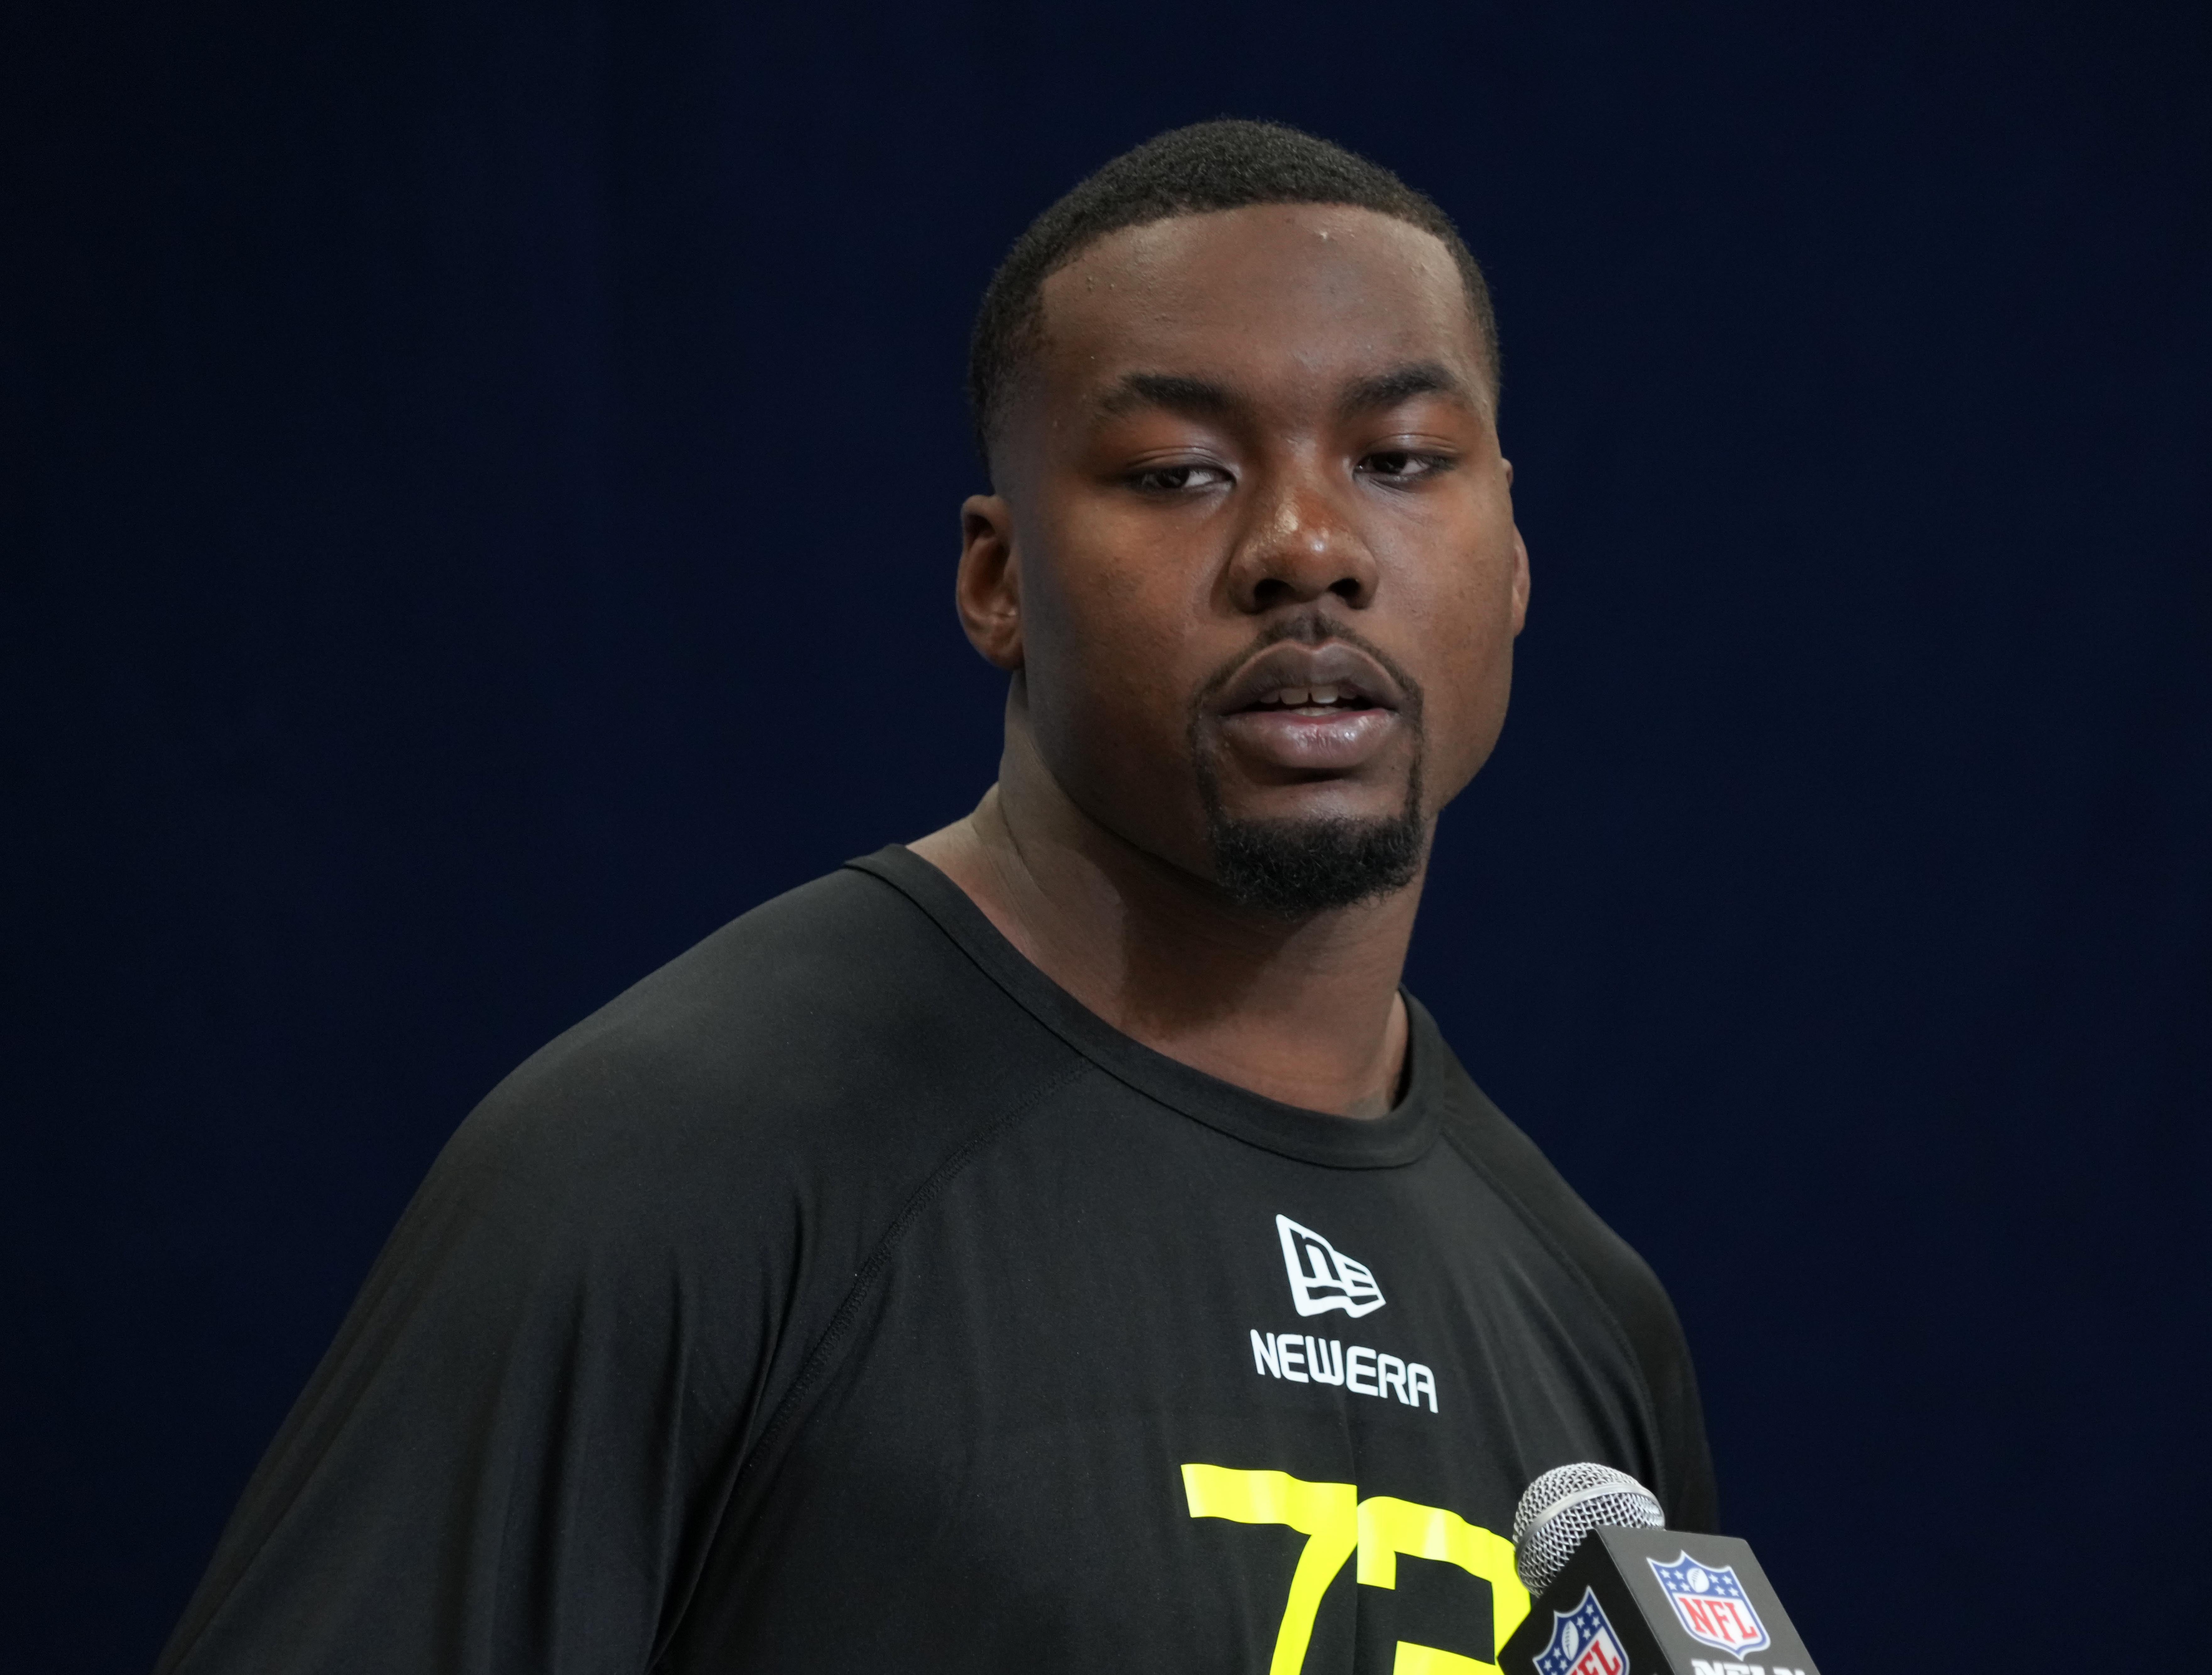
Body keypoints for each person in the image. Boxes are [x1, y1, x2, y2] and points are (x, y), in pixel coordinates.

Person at [156, 118, 1716, 1675]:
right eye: (1180, 472)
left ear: (1516, 556)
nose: (1306, 548)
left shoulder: (1589, 1320)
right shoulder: (676, 1164)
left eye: (1400, 461)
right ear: (996, 579)